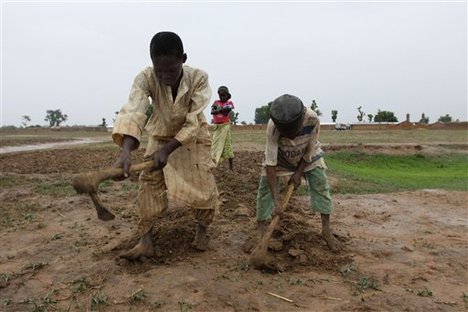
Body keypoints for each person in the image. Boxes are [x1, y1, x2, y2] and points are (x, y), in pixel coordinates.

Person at [112, 31, 219, 260]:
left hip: (192, 138)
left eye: (171, 70)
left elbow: (193, 120)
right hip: (160, 136)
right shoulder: (145, 78)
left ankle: (202, 231)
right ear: (152, 64)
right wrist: (126, 151)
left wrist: (168, 150)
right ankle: (145, 241)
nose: (165, 76)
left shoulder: (199, 78)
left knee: (203, 185)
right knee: (148, 183)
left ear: (183, 59)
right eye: (159, 70)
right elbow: (134, 112)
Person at [255, 94, 342, 252]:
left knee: (321, 184)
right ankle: (260, 234)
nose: (290, 136)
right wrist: (277, 202)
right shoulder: (273, 127)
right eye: (286, 133)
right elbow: (270, 164)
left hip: (306, 154)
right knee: (265, 189)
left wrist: (298, 173)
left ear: (301, 120)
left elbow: (309, 150)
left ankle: (326, 230)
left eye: (293, 131)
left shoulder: (312, 119)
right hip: (282, 156)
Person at [210, 86, 235, 170]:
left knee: (228, 146)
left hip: (225, 126)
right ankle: (213, 164)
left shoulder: (229, 103)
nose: (222, 97)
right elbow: (212, 112)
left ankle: (231, 168)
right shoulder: (216, 102)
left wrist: (219, 110)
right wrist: (220, 110)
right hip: (217, 127)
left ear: (227, 96)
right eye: (220, 95)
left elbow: (226, 112)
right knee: (214, 145)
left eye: (224, 95)